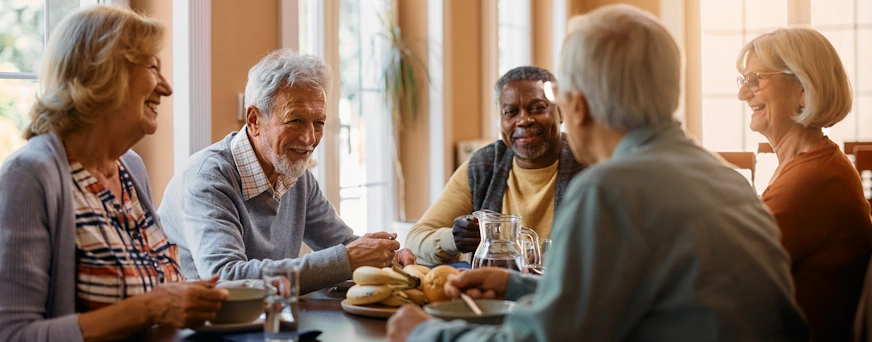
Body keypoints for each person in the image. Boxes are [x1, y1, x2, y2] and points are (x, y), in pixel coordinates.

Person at [388, 4, 809, 341]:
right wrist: (514, 286)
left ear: (579, 106)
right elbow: (631, 301)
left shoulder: (609, 191)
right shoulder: (728, 178)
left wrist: (427, 333)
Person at [0, 5, 230, 341]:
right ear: (103, 73)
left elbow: (152, 290)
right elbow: (13, 335)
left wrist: (187, 299)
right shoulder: (30, 176)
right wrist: (149, 308)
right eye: (153, 67)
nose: (166, 88)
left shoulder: (130, 167)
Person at [158, 49, 415, 294]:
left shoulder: (294, 172)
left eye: (319, 123)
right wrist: (347, 259)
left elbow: (341, 244)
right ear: (254, 120)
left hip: (268, 320)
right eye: (295, 120)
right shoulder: (207, 179)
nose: (309, 138)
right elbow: (226, 277)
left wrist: (387, 256)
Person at [736, 27, 872, 341]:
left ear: (803, 90)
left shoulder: (812, 180)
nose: (744, 93)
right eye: (744, 80)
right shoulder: (810, 165)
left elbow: (728, 274)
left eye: (757, 78)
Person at [406, 66, 585, 266]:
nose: (524, 120)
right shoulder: (483, 166)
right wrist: (454, 240)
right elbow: (414, 241)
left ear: (560, 112)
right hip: (491, 294)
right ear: (501, 121)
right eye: (511, 112)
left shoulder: (589, 163)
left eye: (537, 108)